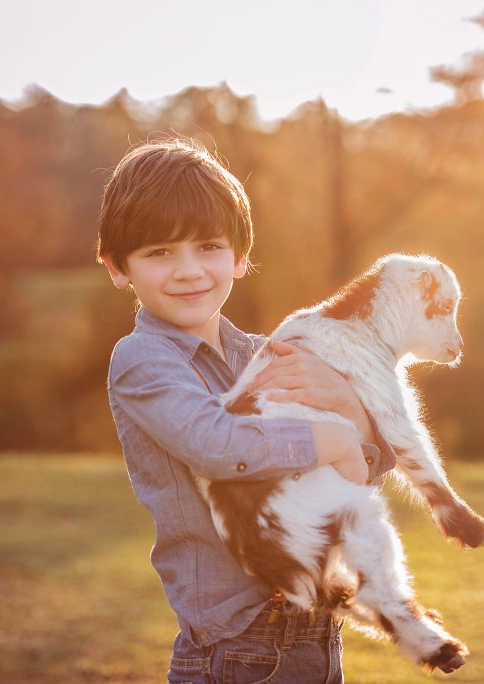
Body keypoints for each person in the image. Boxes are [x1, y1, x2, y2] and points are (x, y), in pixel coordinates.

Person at [96, 138, 395, 683]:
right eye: (159, 252)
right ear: (118, 267)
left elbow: (373, 464)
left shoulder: (270, 355)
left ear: (238, 258)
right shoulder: (142, 359)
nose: (188, 271)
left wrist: (349, 407)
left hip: (317, 635)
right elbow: (216, 445)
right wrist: (329, 441)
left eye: (208, 246)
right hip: (239, 647)